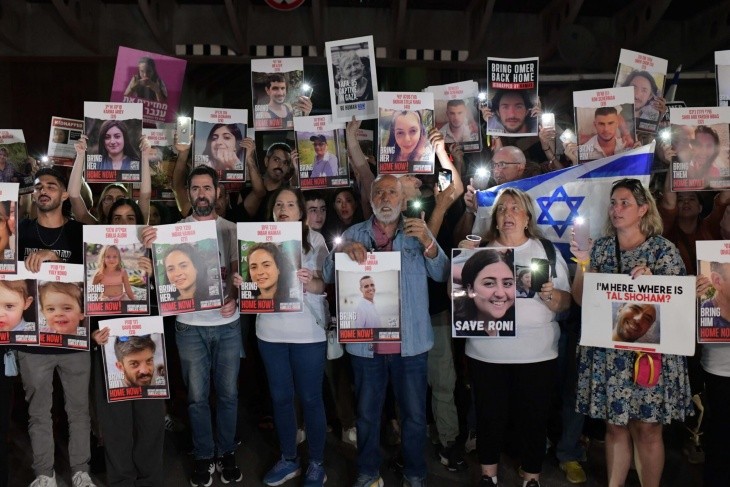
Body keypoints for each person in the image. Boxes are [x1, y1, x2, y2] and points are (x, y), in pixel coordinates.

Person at [323, 174, 449, 487]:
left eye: (392, 192)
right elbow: (326, 273)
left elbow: (443, 273)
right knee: (367, 415)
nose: (385, 198)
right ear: (370, 200)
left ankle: (415, 473)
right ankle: (368, 472)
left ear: (403, 200)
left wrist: (428, 242)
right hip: (366, 346)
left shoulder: (417, 231)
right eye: (378, 193)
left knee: (414, 416)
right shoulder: (353, 233)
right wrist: (341, 251)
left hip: (411, 344)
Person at [570, 178, 692, 487]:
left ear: (643, 209)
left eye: (625, 203)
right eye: (613, 203)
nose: (616, 209)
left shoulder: (663, 251)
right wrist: (582, 264)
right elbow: (580, 299)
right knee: (615, 427)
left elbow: (680, 306)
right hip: (609, 355)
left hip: (648, 358)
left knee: (647, 429)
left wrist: (655, 284)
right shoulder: (600, 248)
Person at [459, 187, 571, 487]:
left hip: (537, 354)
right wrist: (461, 265)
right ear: (494, 219)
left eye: (515, 208)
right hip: (487, 353)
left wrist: (551, 296)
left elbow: (566, 302)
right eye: (501, 209)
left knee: (534, 419)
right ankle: (488, 476)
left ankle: (532, 477)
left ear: (527, 217)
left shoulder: (546, 250)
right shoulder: (479, 251)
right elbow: (458, 300)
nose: (507, 214)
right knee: (488, 417)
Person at [141, 165, 242, 486]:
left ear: (217, 191)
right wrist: (148, 244)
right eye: (196, 188)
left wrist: (235, 297)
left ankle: (227, 451)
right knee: (197, 397)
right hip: (188, 325)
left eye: (207, 188)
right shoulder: (173, 232)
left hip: (228, 323)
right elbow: (160, 273)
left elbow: (239, 273)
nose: (201, 194)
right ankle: (203, 454)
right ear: (188, 192)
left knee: (228, 394)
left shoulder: (231, 229)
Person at [238, 187, 329, 487]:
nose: (284, 209)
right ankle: (289, 458)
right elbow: (251, 288)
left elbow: (324, 285)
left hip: (308, 334)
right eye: (279, 204)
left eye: (291, 204)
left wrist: (310, 281)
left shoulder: (315, 240)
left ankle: (317, 463)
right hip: (270, 333)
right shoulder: (257, 241)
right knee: (280, 398)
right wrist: (242, 282)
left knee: (311, 398)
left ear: (301, 211)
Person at [17, 167, 94, 487]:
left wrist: (57, 262)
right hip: (32, 341)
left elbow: (97, 277)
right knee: (38, 412)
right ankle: (44, 474)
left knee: (79, 410)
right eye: (38, 186)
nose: (43, 190)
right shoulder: (19, 230)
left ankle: (81, 471)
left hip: (75, 338)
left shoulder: (80, 233)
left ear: (64, 194)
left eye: (51, 186)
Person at [90, 197, 163, 487]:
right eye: (117, 218)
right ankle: (121, 480)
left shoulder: (150, 252)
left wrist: (153, 277)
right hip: (108, 343)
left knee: (150, 419)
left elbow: (167, 303)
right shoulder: (97, 270)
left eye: (130, 218)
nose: (123, 223)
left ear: (139, 222)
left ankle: (149, 480)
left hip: (147, 339)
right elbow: (89, 302)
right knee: (116, 422)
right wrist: (92, 334)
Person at [68, 135, 152, 225]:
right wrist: (80, 155)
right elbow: (73, 195)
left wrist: (144, 156)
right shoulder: (95, 227)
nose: (114, 203)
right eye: (108, 198)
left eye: (120, 199)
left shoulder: (139, 224)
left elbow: (145, 195)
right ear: (101, 205)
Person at [453, 249, 516, 337]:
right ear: (470, 289)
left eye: (507, 284)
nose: (500, 294)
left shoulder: (517, 321)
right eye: (489, 283)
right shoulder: (458, 331)